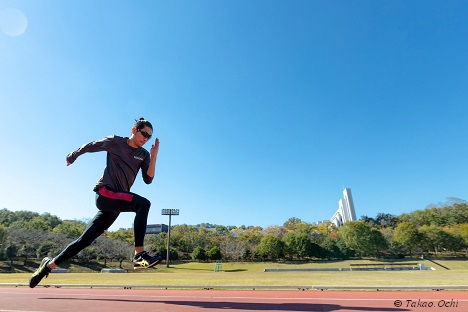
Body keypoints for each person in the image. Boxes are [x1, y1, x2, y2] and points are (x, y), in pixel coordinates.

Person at [29, 118, 162, 288]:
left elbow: (148, 180)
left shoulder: (143, 155)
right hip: (106, 193)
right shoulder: (116, 142)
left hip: (117, 203)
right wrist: (73, 155)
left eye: (149, 137)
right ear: (134, 129)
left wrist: (154, 157)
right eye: (143, 133)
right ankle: (139, 254)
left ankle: (47, 267)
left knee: (84, 241)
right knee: (143, 204)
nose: (145, 138)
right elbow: (91, 145)